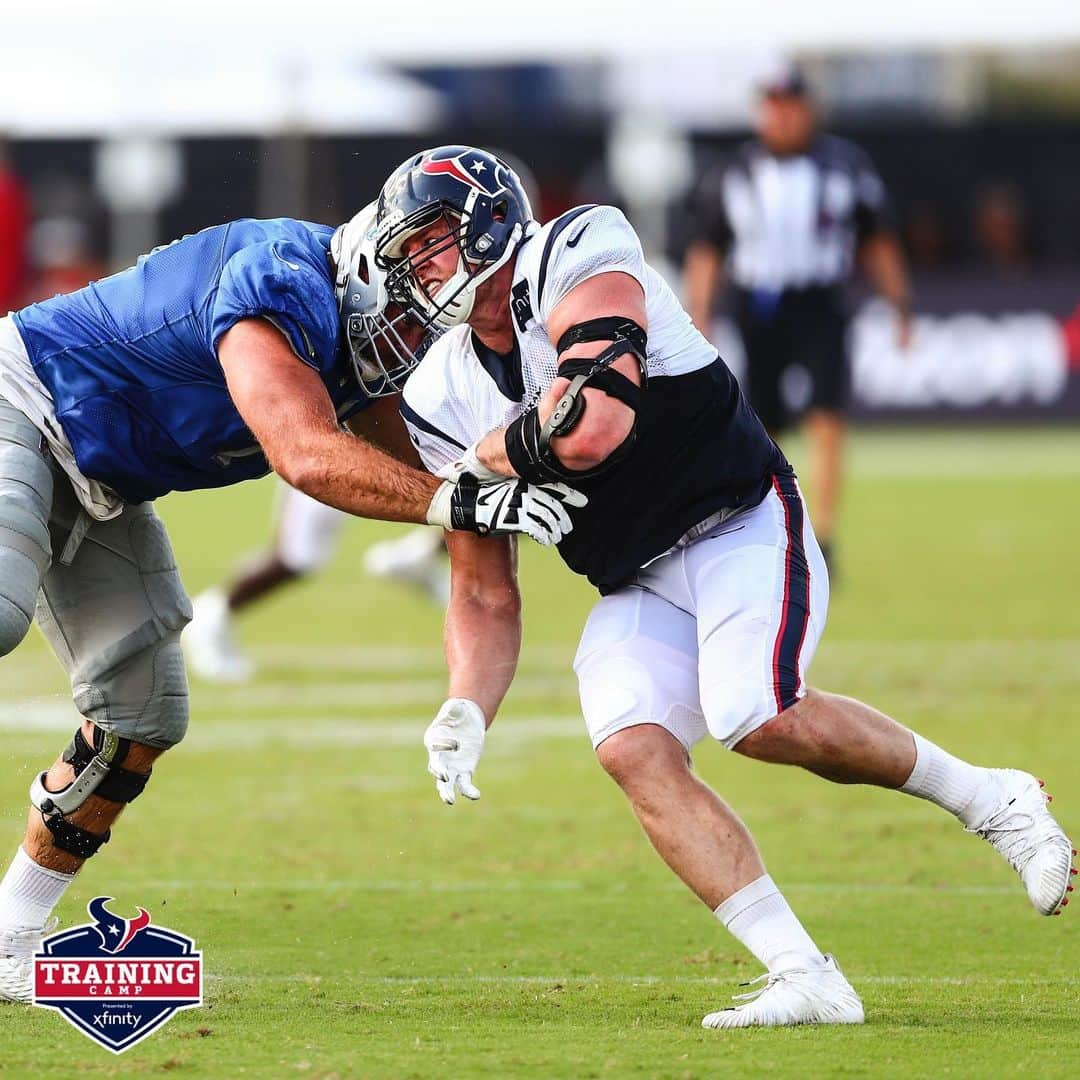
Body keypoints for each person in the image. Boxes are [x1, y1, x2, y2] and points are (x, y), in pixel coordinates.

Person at [372, 144, 1074, 1029]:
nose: (419, 268)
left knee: (757, 711)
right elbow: (483, 590)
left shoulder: (577, 249)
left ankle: (993, 799)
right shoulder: (440, 388)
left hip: (737, 519)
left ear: (483, 222)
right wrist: (467, 704)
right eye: (408, 254)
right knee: (630, 743)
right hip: (634, 577)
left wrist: (490, 455)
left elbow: (591, 422)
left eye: (430, 241)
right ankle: (804, 974)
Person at [0, 203, 584, 1003]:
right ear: (380, 251)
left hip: (103, 479)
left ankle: (8, 940)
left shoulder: (373, 350)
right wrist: (458, 503)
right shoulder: (280, 276)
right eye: (415, 287)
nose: (419, 328)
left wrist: (514, 484)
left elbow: (444, 488)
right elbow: (306, 455)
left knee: (138, 720)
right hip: (22, 397)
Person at [682, 65, 912, 572]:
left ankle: (823, 533)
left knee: (827, 414)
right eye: (773, 106)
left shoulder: (845, 166)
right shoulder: (734, 171)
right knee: (763, 422)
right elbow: (708, 249)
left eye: (791, 106)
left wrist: (900, 306)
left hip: (821, 300)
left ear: (808, 110)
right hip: (757, 302)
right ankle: (773, 524)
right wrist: (699, 314)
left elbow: (878, 240)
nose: (782, 117)